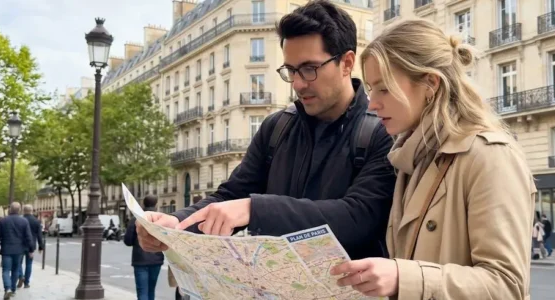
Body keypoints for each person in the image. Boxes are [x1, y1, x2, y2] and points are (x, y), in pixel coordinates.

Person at [138, 0, 395, 259]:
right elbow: (230, 195)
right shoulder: (276, 127)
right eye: (291, 70)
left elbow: (358, 217)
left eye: (309, 69)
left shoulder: (383, 130)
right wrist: (176, 223)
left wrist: (255, 208)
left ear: (347, 63)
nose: (297, 83)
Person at [328, 18, 536, 299]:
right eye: (370, 89)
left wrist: (403, 277)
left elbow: (507, 285)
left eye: (384, 88)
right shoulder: (410, 158)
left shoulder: (490, 156)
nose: (373, 103)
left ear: (430, 83)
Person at [124, 195, 165, 300]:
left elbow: (128, 241)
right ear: (156, 204)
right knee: (151, 290)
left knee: (142, 291)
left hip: (140, 260)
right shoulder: (161, 218)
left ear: (143, 204)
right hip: (156, 259)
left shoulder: (135, 219)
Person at [0, 202, 35, 299]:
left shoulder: (3, 221)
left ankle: (7, 288)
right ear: (19, 210)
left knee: (5, 270)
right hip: (19, 250)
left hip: (6, 250)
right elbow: (28, 237)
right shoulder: (24, 221)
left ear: (10, 210)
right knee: (15, 270)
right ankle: (12, 290)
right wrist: (31, 249)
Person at [17, 204, 44, 289]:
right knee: (29, 264)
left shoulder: (20, 220)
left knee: (18, 263)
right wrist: (41, 246)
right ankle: (26, 283)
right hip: (31, 246)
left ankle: (21, 276)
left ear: (23, 211)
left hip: (20, 245)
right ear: (32, 211)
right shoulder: (36, 221)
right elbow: (39, 235)